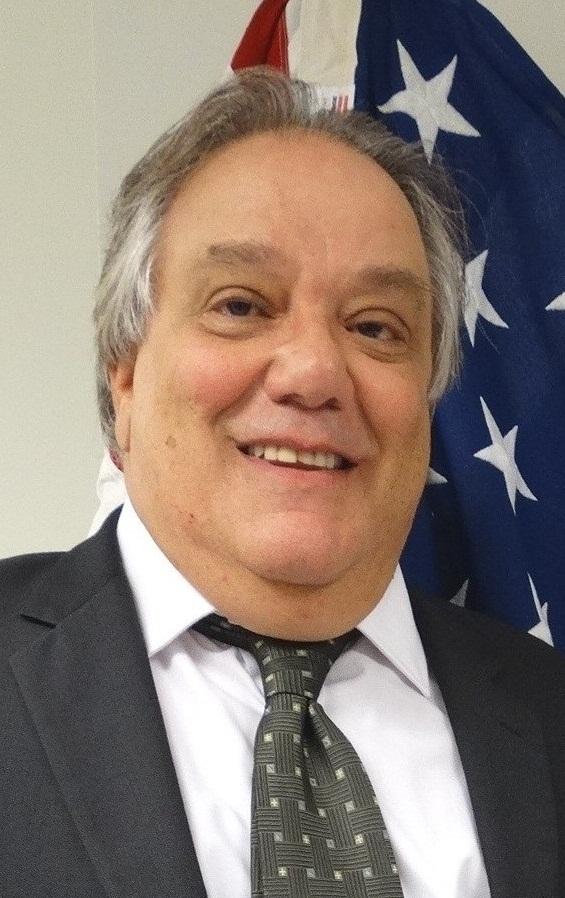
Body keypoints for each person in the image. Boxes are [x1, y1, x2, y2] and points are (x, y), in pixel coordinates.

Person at [1, 68, 564, 898]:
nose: (312, 372)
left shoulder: (547, 711)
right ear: (125, 374)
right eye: (240, 306)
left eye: (374, 326)